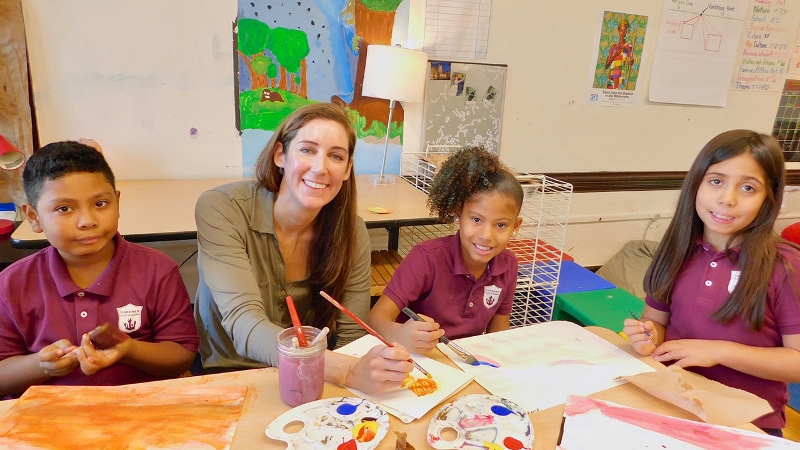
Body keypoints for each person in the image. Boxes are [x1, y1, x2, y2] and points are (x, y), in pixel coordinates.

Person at [193, 103, 412, 394]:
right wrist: (346, 370)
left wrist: (366, 369)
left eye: (336, 156)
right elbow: (244, 324)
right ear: (280, 155)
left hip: (319, 373)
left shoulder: (352, 231)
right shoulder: (221, 208)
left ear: (347, 170)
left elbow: (350, 335)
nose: (321, 168)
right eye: (307, 150)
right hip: (233, 373)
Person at [623, 130, 800, 436]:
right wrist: (648, 336)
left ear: (768, 198)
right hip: (675, 404)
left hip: (749, 427)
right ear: (697, 184)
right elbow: (656, 323)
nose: (726, 199)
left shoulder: (785, 266)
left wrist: (719, 351)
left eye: (747, 187)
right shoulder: (677, 249)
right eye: (716, 181)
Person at [0, 141, 198, 397]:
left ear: (117, 202)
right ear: (34, 217)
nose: (87, 221)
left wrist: (129, 350)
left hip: (142, 410)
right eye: (64, 208)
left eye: (100, 204)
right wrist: (40, 365)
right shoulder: (11, 283)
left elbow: (182, 354)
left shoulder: (158, 270)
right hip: (48, 418)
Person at [367, 147, 524, 354]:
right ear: (458, 215)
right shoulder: (426, 258)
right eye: (476, 220)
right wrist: (400, 334)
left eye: (501, 225)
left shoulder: (508, 265)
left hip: (464, 365)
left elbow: (498, 334)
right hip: (414, 361)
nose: (487, 235)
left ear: (516, 226)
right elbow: (375, 318)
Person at [604, 19, 634, 89]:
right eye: (621, 30)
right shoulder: (613, 47)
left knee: (619, 95)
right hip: (612, 76)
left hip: (621, 76)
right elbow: (606, 66)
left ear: (627, 32)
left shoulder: (629, 46)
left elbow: (629, 63)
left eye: (625, 31)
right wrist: (615, 55)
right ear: (618, 31)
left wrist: (631, 63)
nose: (623, 33)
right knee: (609, 94)